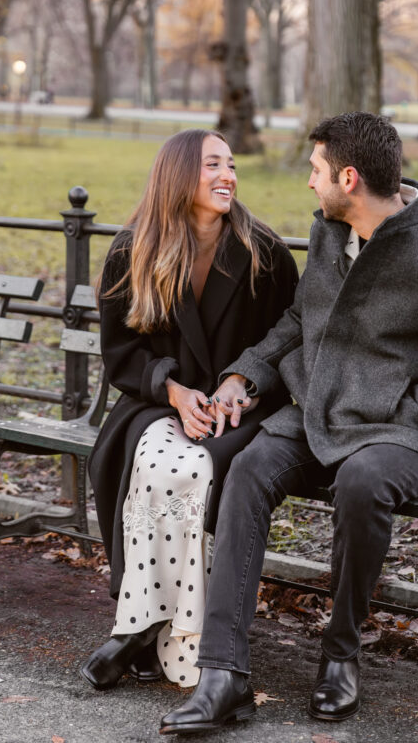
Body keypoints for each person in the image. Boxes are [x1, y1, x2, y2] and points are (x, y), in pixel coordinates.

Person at [160, 112, 418, 734]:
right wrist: (245, 375)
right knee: (248, 466)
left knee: (362, 481)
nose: (309, 184)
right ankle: (222, 674)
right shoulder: (329, 234)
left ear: (349, 177)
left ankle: (341, 653)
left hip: (401, 437)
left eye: (316, 171)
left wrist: (399, 412)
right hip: (315, 418)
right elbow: (297, 323)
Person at [81, 128, 299, 692]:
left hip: (239, 411)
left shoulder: (263, 253)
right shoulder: (135, 249)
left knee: (193, 470)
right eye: (212, 165)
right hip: (157, 402)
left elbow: (289, 339)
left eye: (231, 164)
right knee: (153, 462)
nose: (228, 175)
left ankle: (150, 632)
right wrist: (173, 390)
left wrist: (240, 386)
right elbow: (120, 351)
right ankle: (143, 623)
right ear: (179, 174)